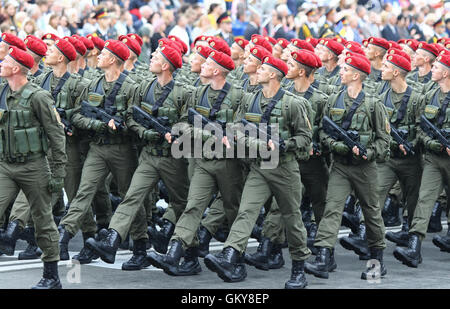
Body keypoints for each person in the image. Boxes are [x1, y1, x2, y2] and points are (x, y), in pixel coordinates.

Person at [204, 55, 313, 289]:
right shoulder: (250, 100)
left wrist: (284, 145)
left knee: (292, 218)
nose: (258, 71)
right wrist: (258, 146)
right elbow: (237, 129)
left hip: (284, 168)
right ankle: (230, 255)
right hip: (259, 166)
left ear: (273, 74)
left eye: (263, 68)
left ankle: (298, 269)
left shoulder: (293, 104)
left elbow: (305, 137)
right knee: (246, 211)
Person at [86, 45, 192, 271]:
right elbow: (131, 116)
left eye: (156, 56)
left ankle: (190, 252)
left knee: (183, 204)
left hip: (173, 158)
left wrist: (175, 131)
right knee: (132, 197)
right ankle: (112, 241)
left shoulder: (183, 92)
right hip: (148, 156)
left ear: (165, 66)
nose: (151, 57)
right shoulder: (144, 88)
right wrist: (145, 132)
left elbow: (188, 123)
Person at [147, 50, 245, 277]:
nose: (202, 65)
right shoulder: (197, 93)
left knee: (233, 211)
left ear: (217, 71)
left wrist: (221, 133)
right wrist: (209, 134)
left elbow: (241, 126)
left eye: (208, 63)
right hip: (203, 160)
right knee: (193, 206)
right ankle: (176, 254)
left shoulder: (238, 95)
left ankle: (235, 260)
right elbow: (184, 123)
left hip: (229, 163)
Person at [305, 53, 391, 280]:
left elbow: (384, 141)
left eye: (345, 70)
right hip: (341, 166)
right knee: (332, 209)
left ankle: (376, 261)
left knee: (371, 212)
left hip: (365, 168)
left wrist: (368, 152)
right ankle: (324, 256)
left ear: (356, 75)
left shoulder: (373, 104)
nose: (340, 72)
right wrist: (335, 145)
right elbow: (323, 131)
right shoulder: (334, 100)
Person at [57, 40, 138, 262]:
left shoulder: (131, 88)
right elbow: (76, 115)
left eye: (104, 54)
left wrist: (121, 124)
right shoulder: (92, 85)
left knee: (128, 196)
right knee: (84, 192)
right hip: (98, 148)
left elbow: (136, 120)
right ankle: (64, 237)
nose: (98, 56)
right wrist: (99, 125)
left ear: (113, 59)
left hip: (122, 150)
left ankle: (139, 246)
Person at [0, 46, 67, 289]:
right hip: (5, 166)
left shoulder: (38, 97)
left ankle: (51, 275)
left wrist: (58, 174)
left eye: (5, 60)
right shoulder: (1, 91)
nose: (1, 62)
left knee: (43, 220)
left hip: (34, 166)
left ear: (16, 68)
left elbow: (57, 136)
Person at [393, 53, 450, 267]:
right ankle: (414, 246)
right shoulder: (429, 95)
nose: (432, 69)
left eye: (436, 67)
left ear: (446, 73)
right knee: (425, 199)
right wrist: (434, 144)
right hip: (434, 159)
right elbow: (421, 127)